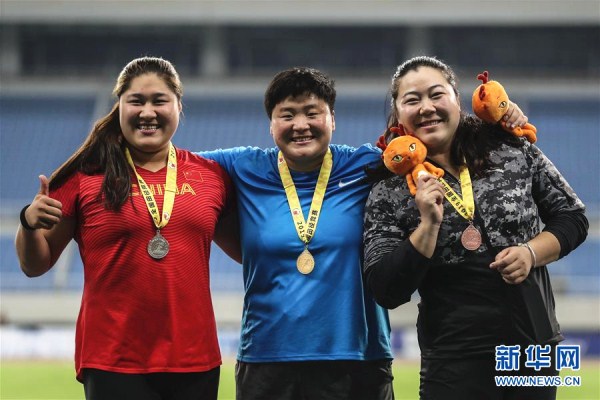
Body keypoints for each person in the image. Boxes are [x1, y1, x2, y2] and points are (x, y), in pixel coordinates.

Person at [199, 66, 528, 400]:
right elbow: (171, 163)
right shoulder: (242, 167)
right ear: (271, 125)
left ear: (332, 119)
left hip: (359, 363)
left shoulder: (369, 165)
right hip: (266, 363)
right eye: (287, 115)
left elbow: (438, 139)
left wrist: (501, 120)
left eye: (313, 113)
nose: (301, 125)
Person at [363, 56, 589, 400]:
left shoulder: (510, 147)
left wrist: (531, 253)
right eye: (412, 100)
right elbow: (386, 290)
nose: (427, 107)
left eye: (436, 94)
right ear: (397, 112)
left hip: (532, 349)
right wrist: (427, 226)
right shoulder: (388, 188)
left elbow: (572, 216)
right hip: (454, 359)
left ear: (457, 98)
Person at [15, 56, 240, 400]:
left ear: (179, 107)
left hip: (194, 360)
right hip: (113, 361)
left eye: (159, 100)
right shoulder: (84, 176)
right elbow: (34, 265)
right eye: (136, 101)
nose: (147, 112)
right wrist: (28, 223)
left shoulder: (211, 176)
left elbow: (247, 252)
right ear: (119, 106)